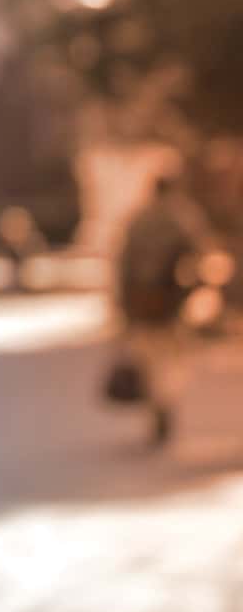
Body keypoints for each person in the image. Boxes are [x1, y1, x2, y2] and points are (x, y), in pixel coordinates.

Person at [113, 172, 215, 445]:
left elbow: (123, 264)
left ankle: (158, 405)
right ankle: (164, 403)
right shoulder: (182, 217)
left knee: (150, 357)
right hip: (169, 302)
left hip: (142, 301)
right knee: (169, 357)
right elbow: (202, 256)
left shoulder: (139, 220)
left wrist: (122, 304)